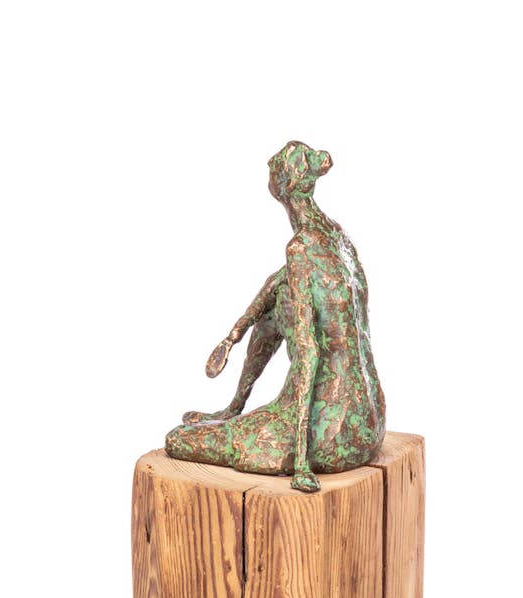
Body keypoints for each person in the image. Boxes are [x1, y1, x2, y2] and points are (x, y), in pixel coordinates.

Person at [165, 141, 386, 493]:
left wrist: (300, 463)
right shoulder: (337, 236)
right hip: (370, 423)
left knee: (178, 439)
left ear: (282, 185)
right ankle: (233, 406)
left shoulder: (300, 249)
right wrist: (237, 331)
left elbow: (309, 351)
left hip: (330, 435)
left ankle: (238, 417)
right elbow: (285, 290)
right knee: (281, 291)